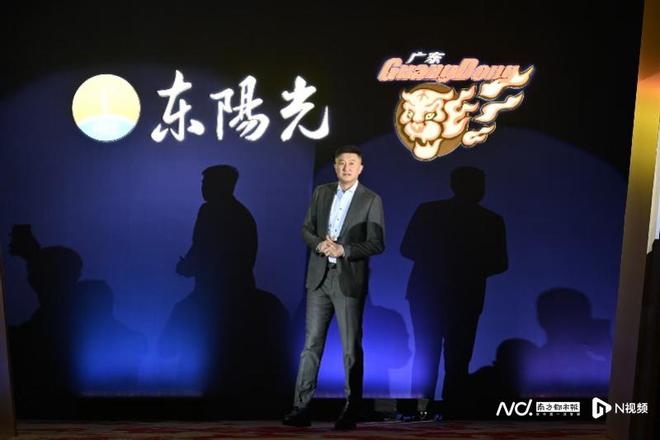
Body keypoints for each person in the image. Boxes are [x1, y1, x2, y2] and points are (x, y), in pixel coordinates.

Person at [283, 145, 385, 430]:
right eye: (341, 163)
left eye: (352, 163)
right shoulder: (322, 192)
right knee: (310, 346)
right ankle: (301, 407)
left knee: (350, 348)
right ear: (335, 166)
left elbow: (377, 243)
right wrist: (319, 244)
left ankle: (351, 409)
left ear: (360, 168)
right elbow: (305, 229)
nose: (346, 167)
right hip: (319, 279)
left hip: (348, 281)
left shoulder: (371, 199)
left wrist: (344, 250)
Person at [401, 166, 508, 419]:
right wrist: (468, 268)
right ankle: (452, 410)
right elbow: (500, 263)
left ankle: (422, 410)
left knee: (428, 352)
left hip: (428, 293)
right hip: (464, 295)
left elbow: (408, 248)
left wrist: (440, 262)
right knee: (458, 357)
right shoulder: (490, 220)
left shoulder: (429, 211)